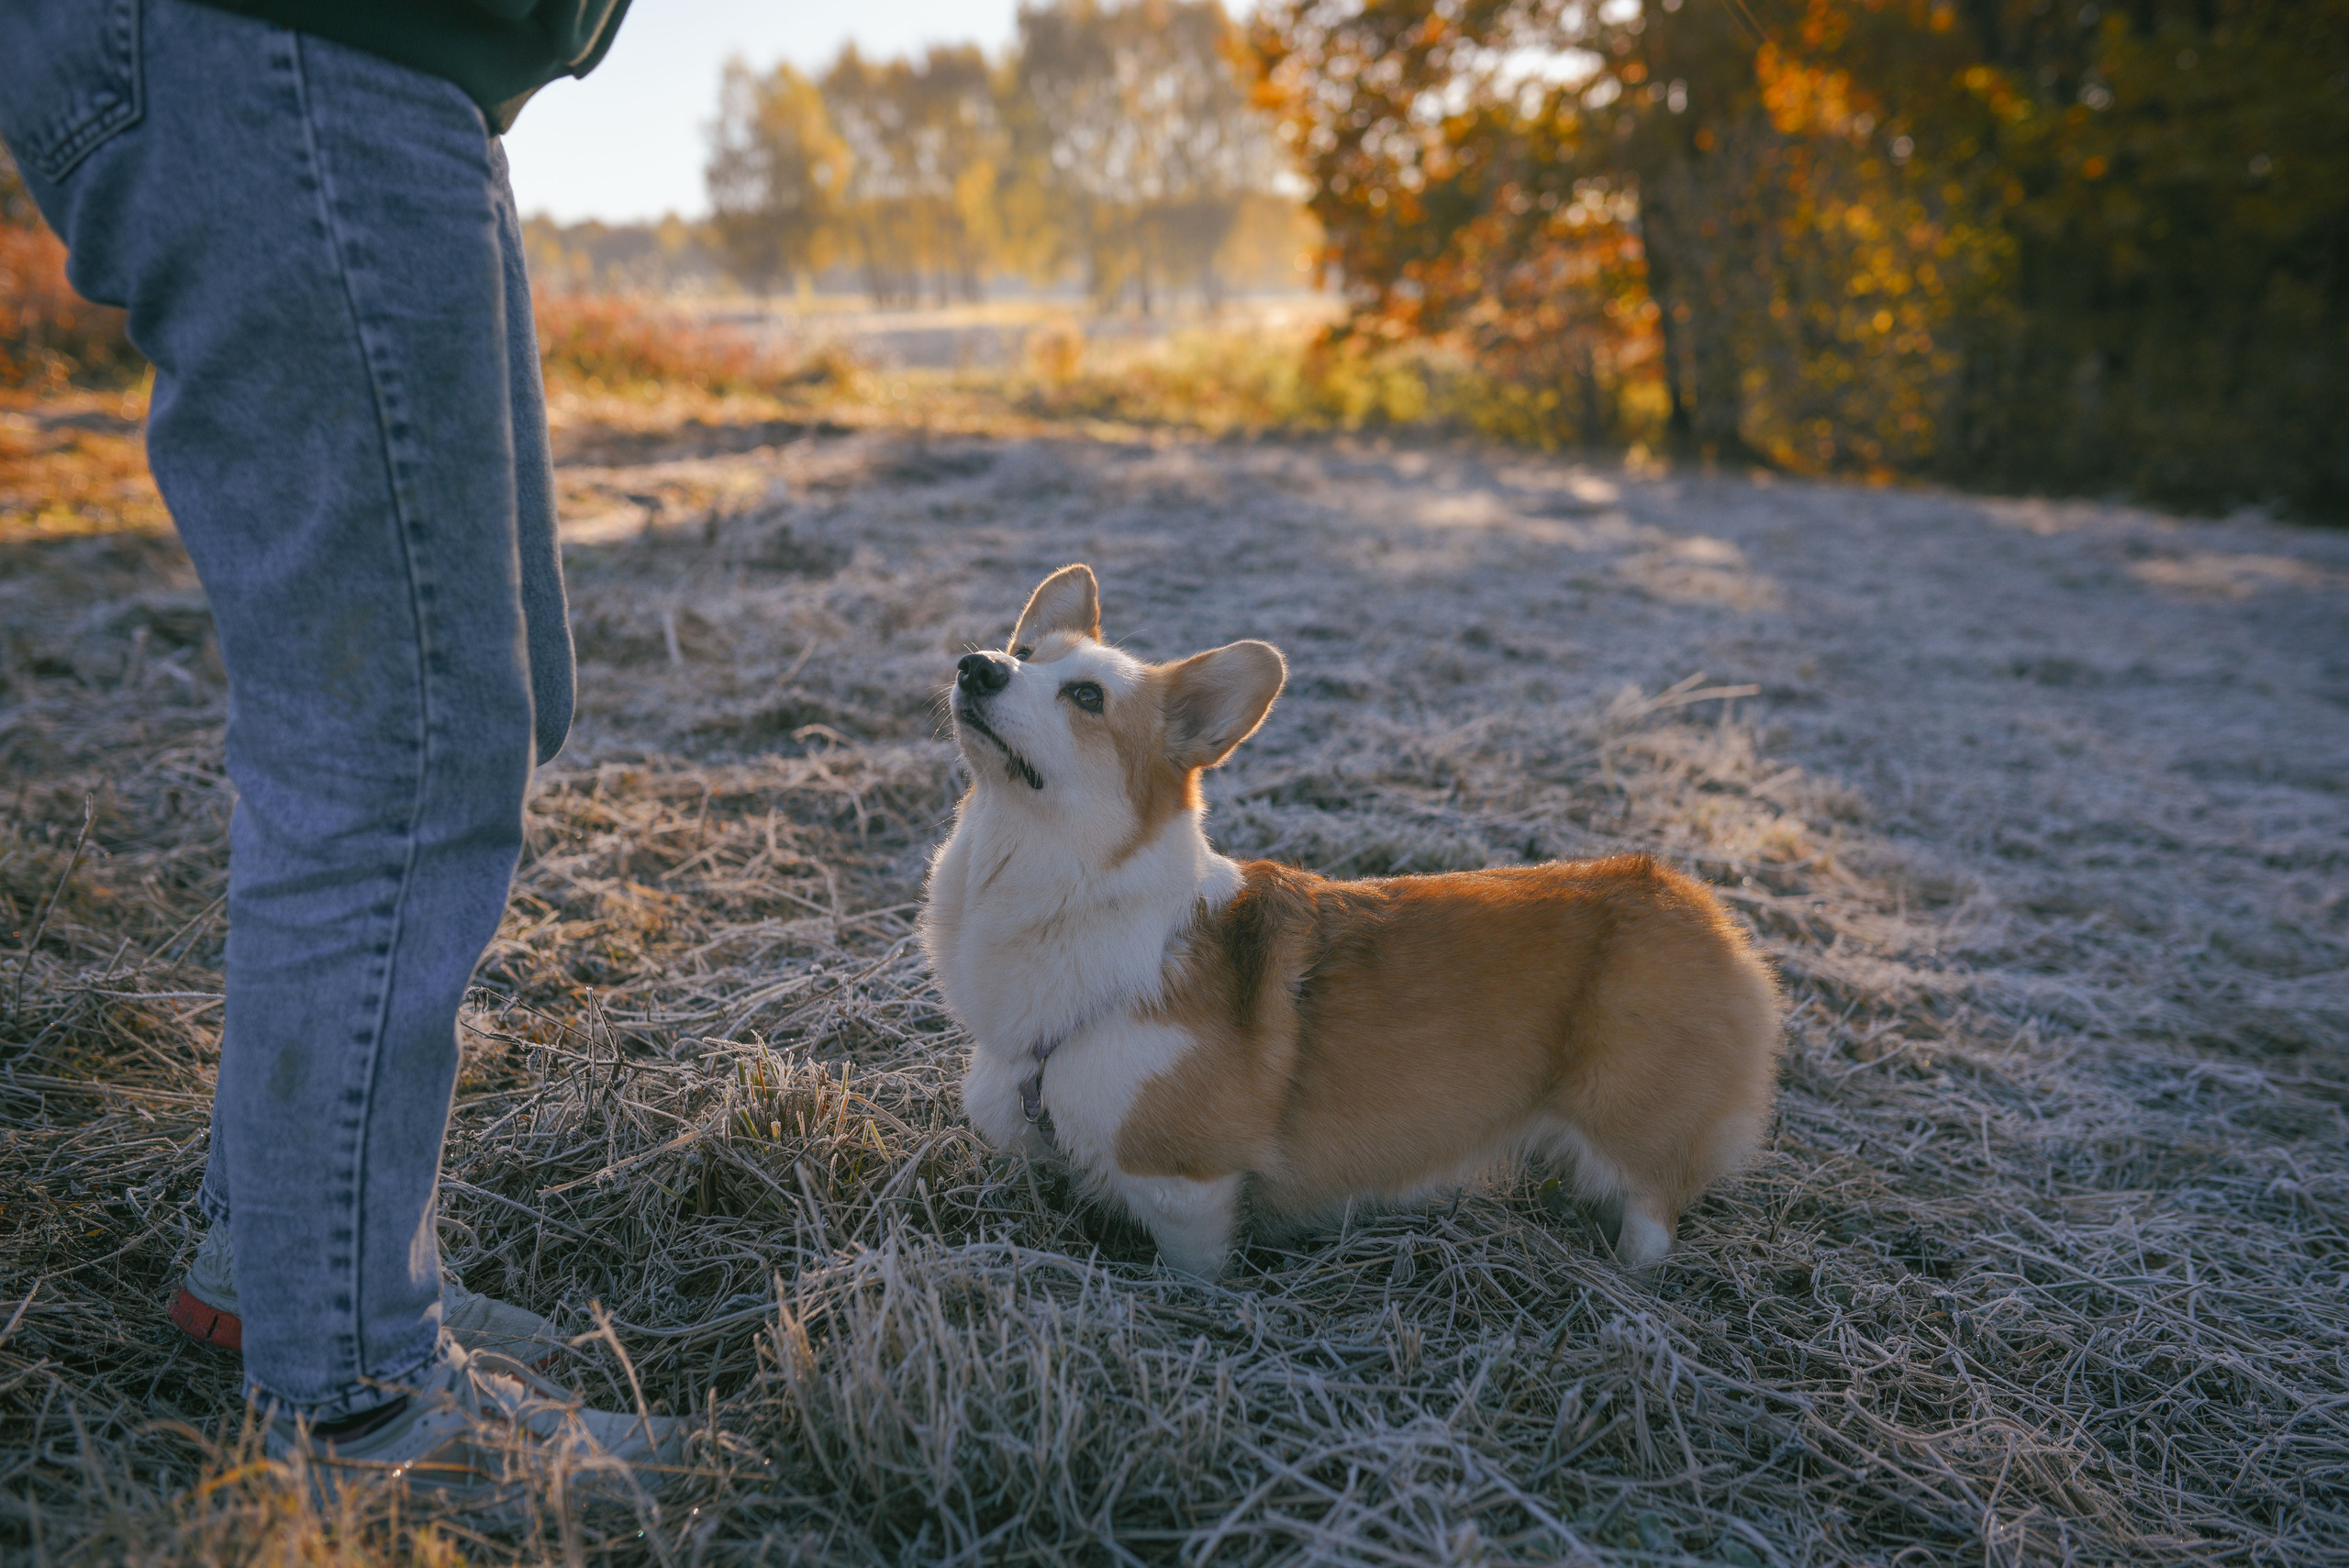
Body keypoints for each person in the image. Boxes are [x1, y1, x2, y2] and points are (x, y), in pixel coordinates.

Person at [0, 0, 679, 1494]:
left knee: (497, 684)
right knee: (394, 740)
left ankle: (283, 1259)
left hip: (413, 65)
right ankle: (352, 1396)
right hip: (296, 40)